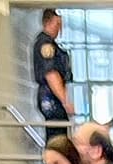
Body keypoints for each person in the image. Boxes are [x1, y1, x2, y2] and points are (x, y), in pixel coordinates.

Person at [31, 8, 74, 137]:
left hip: (52, 96)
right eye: (57, 24)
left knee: (58, 134)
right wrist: (65, 101)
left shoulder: (50, 44)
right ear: (48, 23)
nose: (59, 29)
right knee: (57, 135)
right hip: (50, 96)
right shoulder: (45, 44)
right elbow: (51, 74)